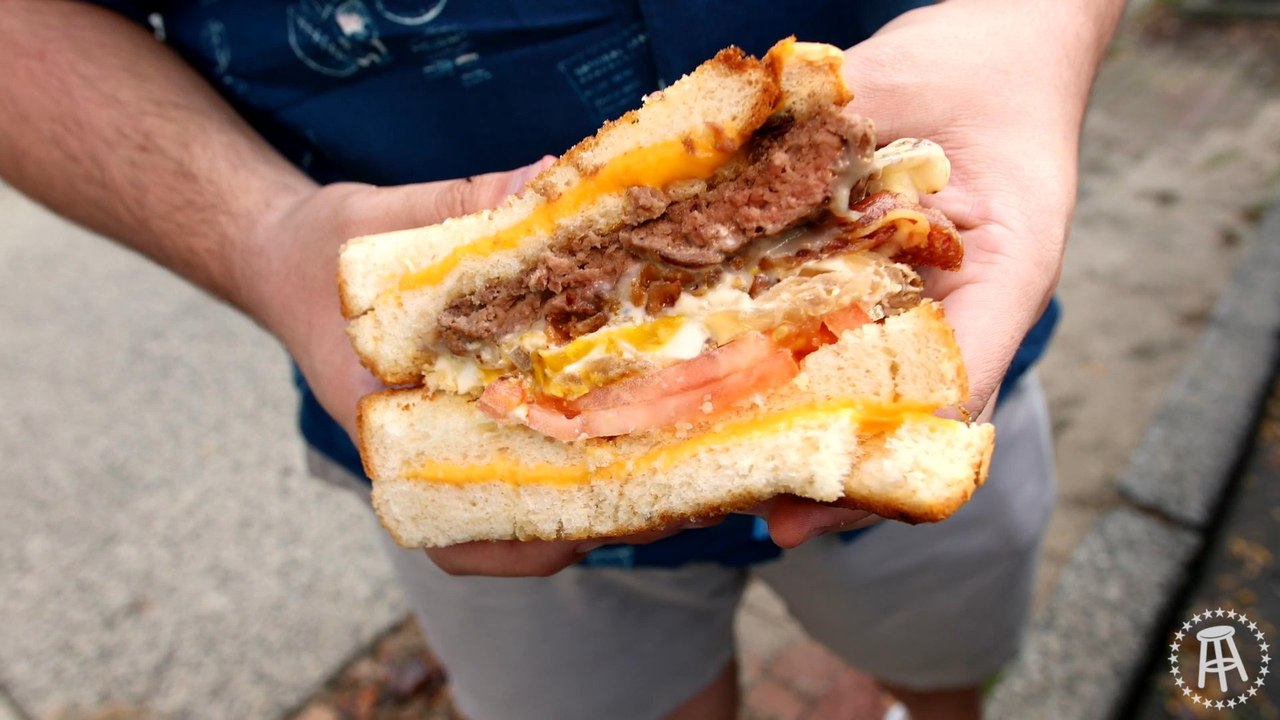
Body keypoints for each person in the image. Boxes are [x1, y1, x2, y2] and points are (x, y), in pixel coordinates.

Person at [0, 1, 1122, 718]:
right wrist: (262, 233)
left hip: (946, 306)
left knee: (946, 661)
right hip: (408, 410)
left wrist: (1031, 32)